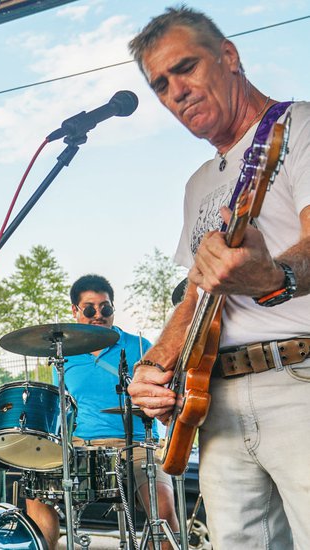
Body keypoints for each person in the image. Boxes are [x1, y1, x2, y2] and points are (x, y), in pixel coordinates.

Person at [127, 7, 310, 548]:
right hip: (216, 401)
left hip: (298, 378)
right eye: (160, 84)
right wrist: (156, 365)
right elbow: (197, 295)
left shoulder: (297, 124)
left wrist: (275, 275)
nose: (175, 92)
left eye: (185, 68)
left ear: (228, 56)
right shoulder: (199, 183)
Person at [24, 275, 178, 546]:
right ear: (75, 310)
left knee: (162, 509)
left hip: (138, 444)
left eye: (105, 308)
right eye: (90, 308)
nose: (99, 315)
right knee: (37, 491)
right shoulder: (64, 355)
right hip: (83, 445)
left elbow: (163, 393)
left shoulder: (139, 347)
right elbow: (62, 410)